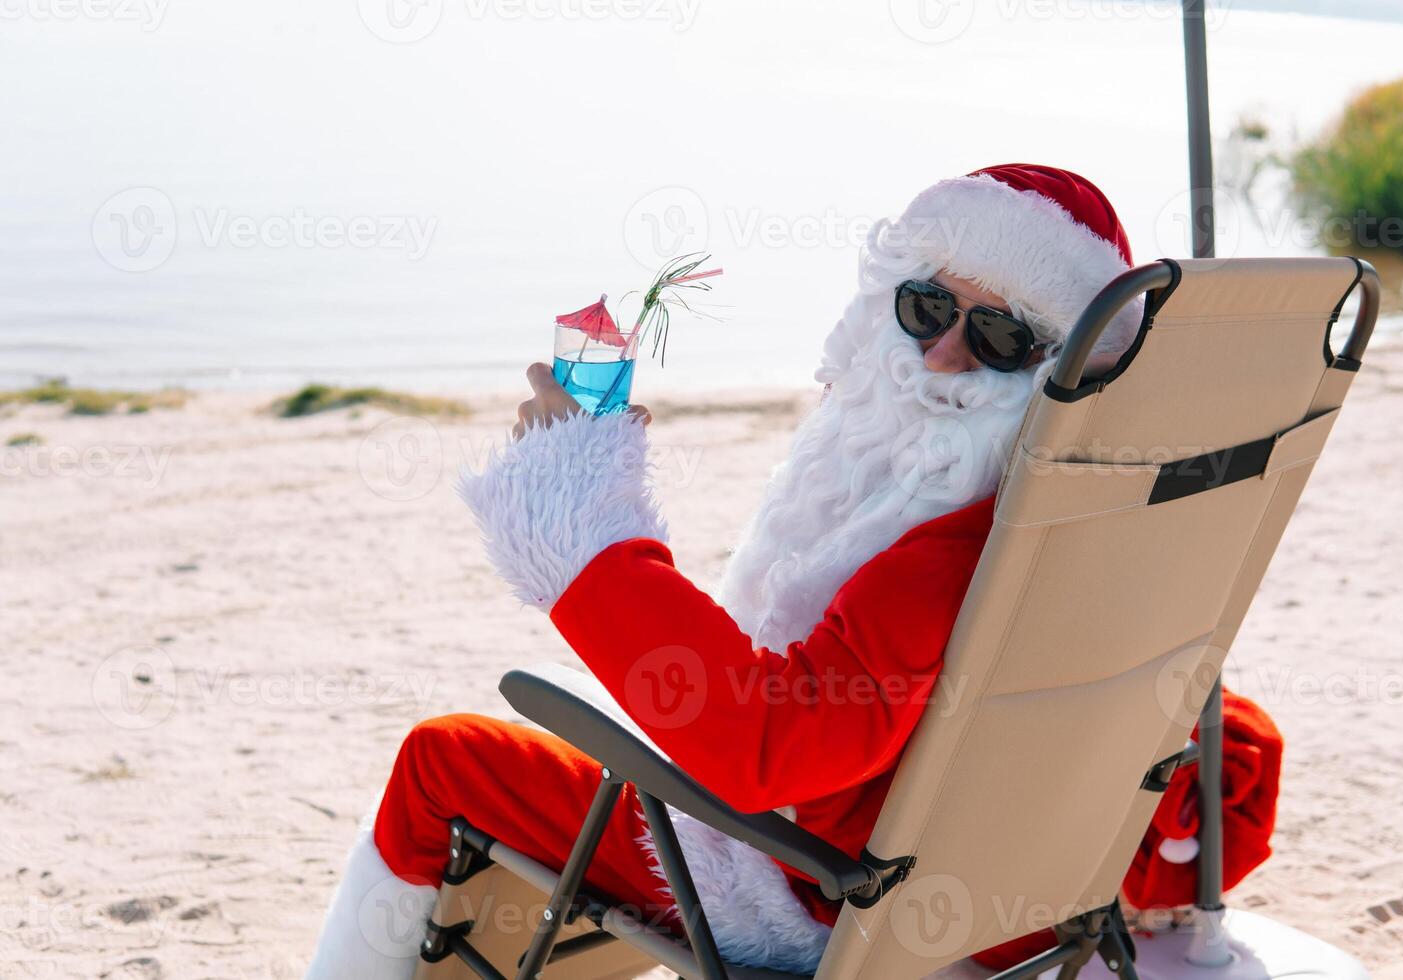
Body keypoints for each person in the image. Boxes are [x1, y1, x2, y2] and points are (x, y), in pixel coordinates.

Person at [305, 164, 1197, 978]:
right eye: (926, 308)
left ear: (1058, 370)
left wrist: (582, 529)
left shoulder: (950, 558)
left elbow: (766, 748)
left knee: (445, 760)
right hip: (1006, 893)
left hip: (808, 885)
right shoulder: (1101, 528)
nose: (941, 356)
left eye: (1002, 337)